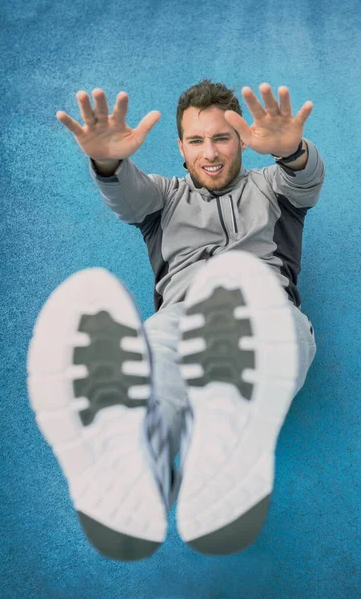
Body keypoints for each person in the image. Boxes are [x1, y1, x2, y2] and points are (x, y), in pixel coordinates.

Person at [26, 80, 325, 561]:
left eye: (222, 137)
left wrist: (292, 152)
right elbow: (125, 194)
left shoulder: (273, 188)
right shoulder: (162, 199)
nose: (210, 152)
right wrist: (107, 162)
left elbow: (305, 180)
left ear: (242, 140)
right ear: (181, 148)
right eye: (197, 140)